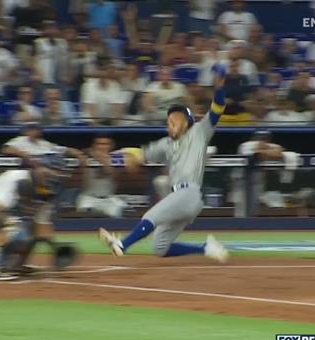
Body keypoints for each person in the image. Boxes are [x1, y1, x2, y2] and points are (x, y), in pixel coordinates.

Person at [98, 64, 229, 262]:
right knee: (160, 247)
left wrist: (219, 88)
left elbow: (217, 110)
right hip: (177, 197)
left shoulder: (200, 132)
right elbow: (140, 154)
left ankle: (122, 244)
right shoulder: (165, 144)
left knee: (153, 214)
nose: (170, 124)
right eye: (168, 121)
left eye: (175, 120)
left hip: (189, 193)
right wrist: (115, 158)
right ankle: (206, 247)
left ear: (187, 122)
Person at [0, 156, 71, 280]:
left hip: (3, 210)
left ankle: (16, 265)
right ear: (38, 168)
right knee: (17, 229)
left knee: (31, 229)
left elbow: (42, 224)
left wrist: (53, 246)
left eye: (58, 171)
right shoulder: (17, 177)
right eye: (52, 169)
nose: (54, 174)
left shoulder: (49, 190)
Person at [77, 134, 127, 218]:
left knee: (120, 213)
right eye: (99, 144)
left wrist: (100, 158)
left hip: (109, 199)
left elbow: (116, 177)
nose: (102, 147)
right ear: (93, 145)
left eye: (105, 144)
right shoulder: (85, 157)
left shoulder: (117, 157)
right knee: (84, 211)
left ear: (112, 146)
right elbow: (82, 183)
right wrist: (83, 166)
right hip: (89, 198)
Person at [2, 122, 87, 168]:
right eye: (31, 129)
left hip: (51, 164)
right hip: (32, 166)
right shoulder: (20, 140)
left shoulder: (44, 143)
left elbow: (64, 150)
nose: (34, 131)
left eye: (36, 129)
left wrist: (78, 154)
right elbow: (6, 149)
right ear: (26, 131)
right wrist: (22, 154)